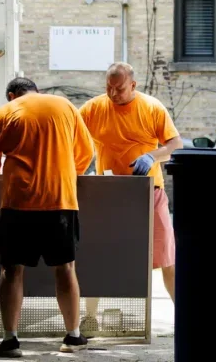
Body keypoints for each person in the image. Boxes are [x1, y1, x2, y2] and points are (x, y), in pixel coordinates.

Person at [0, 77, 95, 358]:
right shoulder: (65, 106)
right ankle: (72, 336)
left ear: (11, 94)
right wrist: (66, 173)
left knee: (12, 270)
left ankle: (10, 340)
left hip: (19, 204)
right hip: (60, 202)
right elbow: (86, 151)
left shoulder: (6, 112)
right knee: (65, 268)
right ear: (36, 91)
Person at [78, 62, 182, 331]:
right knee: (97, 255)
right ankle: (89, 318)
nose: (113, 94)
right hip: (108, 194)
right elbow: (72, 138)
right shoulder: (93, 108)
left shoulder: (151, 108)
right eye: (109, 88)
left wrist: (152, 156)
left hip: (149, 193)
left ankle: (185, 317)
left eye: (120, 89)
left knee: (167, 258)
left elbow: (175, 145)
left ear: (133, 85)